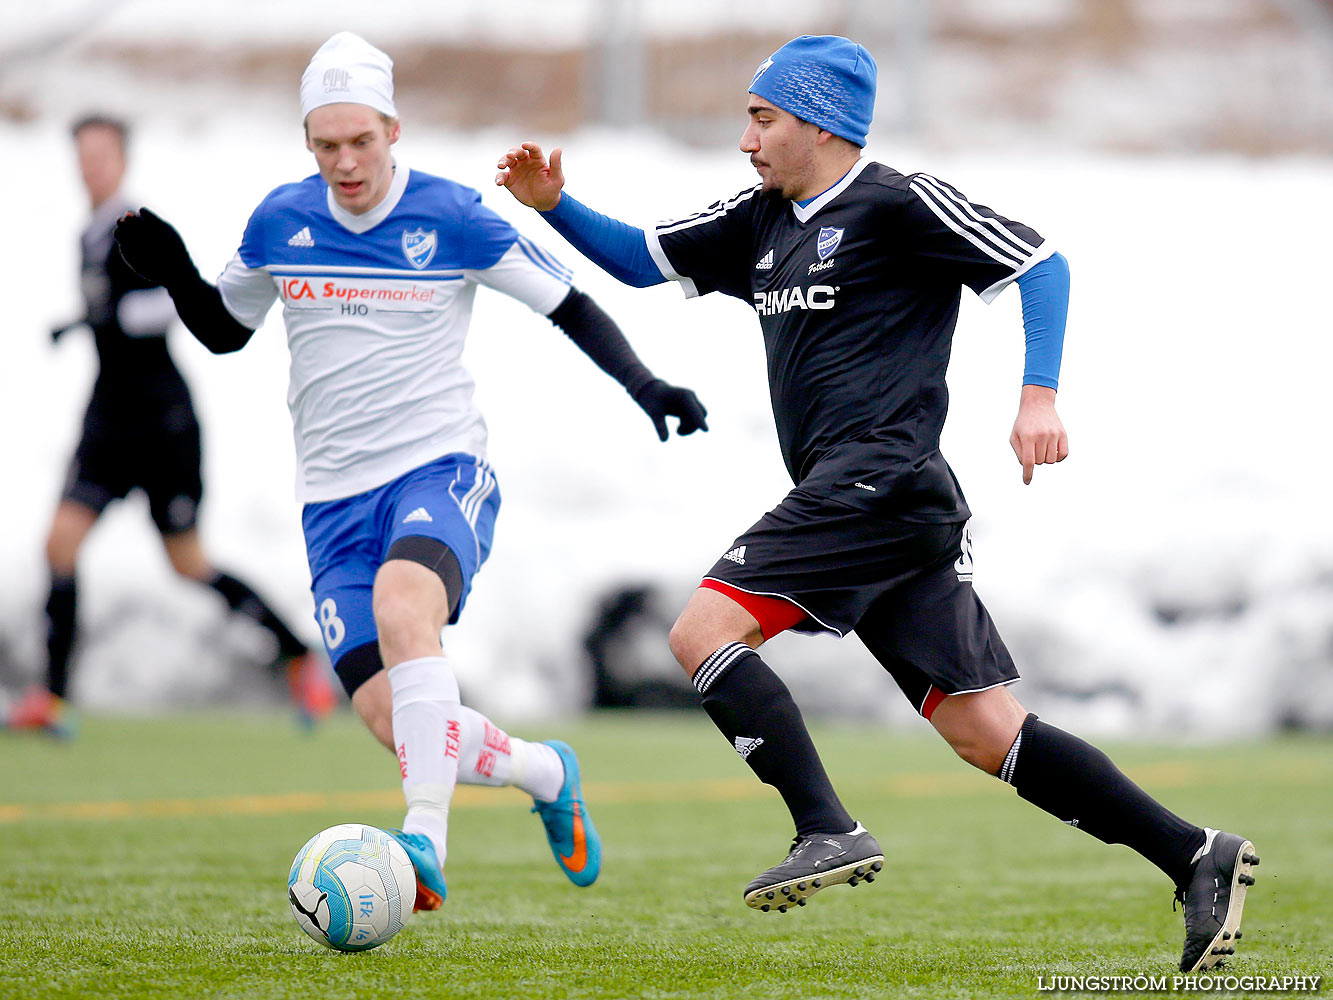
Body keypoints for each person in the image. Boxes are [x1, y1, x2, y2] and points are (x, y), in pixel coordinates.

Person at [496, 34, 1258, 973]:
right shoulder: (759, 218)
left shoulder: (896, 201)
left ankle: (826, 826)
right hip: (882, 508)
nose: (746, 138)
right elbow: (644, 260)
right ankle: (1192, 855)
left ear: (819, 123)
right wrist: (553, 205)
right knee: (984, 734)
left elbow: (1041, 264)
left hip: (879, 481)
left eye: (762, 118)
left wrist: (1038, 395)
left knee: (700, 631)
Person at [113, 33, 708, 910]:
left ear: (394, 129)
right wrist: (176, 277)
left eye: (361, 141)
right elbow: (225, 330)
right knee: (398, 723)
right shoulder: (283, 220)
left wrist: (646, 384)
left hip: (438, 470)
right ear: (307, 143)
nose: (345, 162)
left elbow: (569, 304)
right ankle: (546, 771)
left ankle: (421, 842)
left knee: (404, 607)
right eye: (326, 145)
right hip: (331, 503)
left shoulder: (454, 216)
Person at [6, 113, 335, 739]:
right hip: (107, 423)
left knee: (187, 563)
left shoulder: (140, 230)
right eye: (82, 155)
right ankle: (53, 698)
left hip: (162, 427)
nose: (90, 166)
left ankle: (299, 656)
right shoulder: (88, 235)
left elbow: (170, 304)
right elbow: (109, 311)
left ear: (123, 160)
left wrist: (105, 318)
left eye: (101, 154)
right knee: (60, 545)